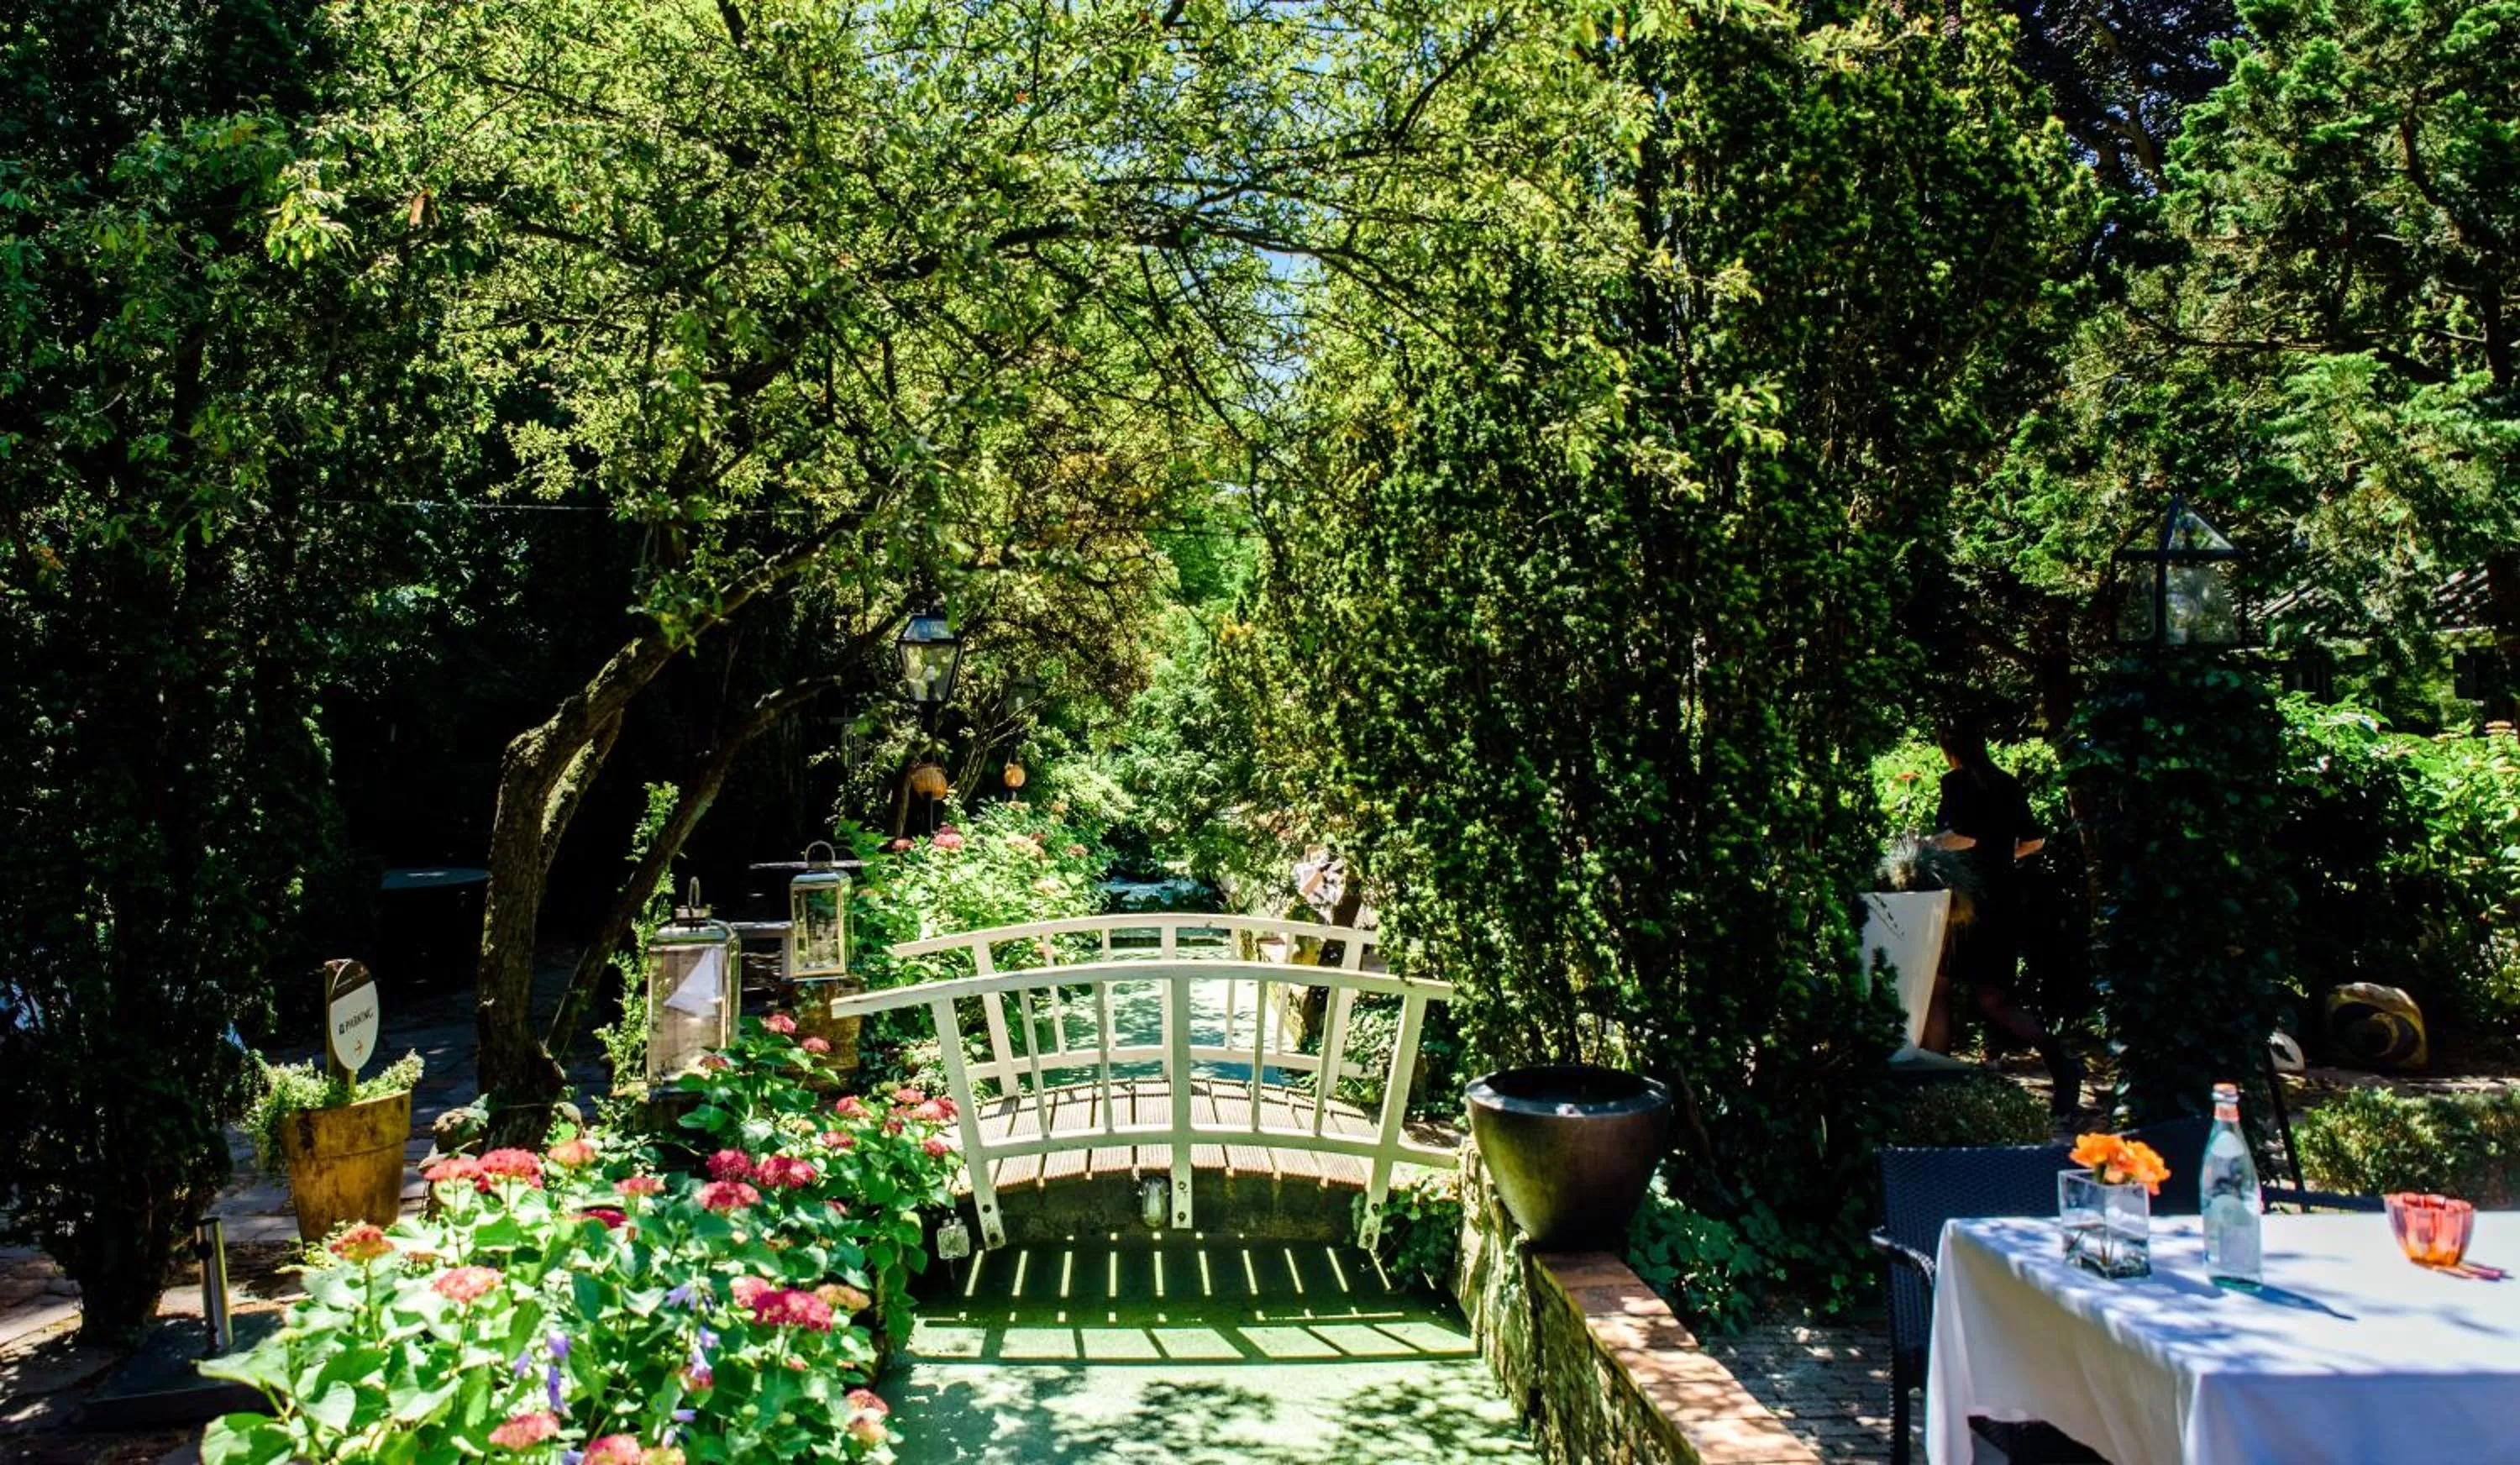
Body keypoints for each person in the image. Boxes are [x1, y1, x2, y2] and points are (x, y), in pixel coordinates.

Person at [1929, 718, 2082, 1116]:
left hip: (1970, 901)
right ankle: (2062, 1066)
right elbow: (2035, 840)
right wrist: (1999, 856)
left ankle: (1934, 1086)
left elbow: (1962, 836)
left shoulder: (1957, 782)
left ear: (1950, 750)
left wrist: (1925, 846)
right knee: (1993, 998)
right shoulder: (2007, 783)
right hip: (2005, 900)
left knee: (1938, 986)